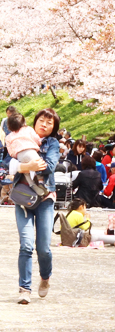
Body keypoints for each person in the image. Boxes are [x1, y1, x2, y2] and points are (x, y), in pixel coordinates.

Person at [10, 108, 60, 304]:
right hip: (22, 199)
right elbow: (6, 165)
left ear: (54, 128)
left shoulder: (52, 143)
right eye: (42, 120)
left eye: (50, 122)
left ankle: (45, 276)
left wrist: (22, 164)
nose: (44, 124)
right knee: (26, 246)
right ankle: (25, 289)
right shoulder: (19, 135)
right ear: (35, 121)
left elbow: (49, 166)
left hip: (45, 199)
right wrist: (25, 166)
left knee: (44, 249)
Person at [5, 112, 47, 195]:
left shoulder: (8, 137)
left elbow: (10, 151)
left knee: (26, 172)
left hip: (19, 155)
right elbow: (36, 138)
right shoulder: (28, 129)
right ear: (23, 122)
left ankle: (32, 184)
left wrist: (15, 155)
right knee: (39, 165)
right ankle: (41, 182)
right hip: (31, 151)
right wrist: (39, 144)